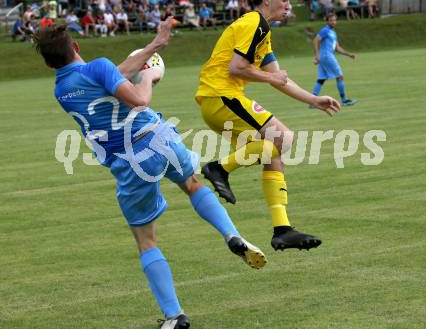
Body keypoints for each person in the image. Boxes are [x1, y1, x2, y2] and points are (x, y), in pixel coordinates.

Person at [33, 20, 266, 329]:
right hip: (160, 137)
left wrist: (149, 52)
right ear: (75, 47)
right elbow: (138, 98)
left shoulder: (62, 89)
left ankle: (175, 316)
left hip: (132, 161)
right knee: (193, 184)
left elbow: (109, 76)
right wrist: (150, 74)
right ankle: (231, 234)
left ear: (50, 63)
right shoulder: (99, 68)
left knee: (146, 240)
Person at [195, 0, 341, 252]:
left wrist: (313, 99)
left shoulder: (263, 31)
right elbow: (236, 68)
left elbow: (279, 78)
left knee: (274, 150)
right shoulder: (255, 23)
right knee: (283, 138)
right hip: (221, 95)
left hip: (219, 101)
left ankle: (282, 229)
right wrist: (270, 77)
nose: (289, 4)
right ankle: (217, 168)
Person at [312, 13, 357, 106]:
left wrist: (349, 54)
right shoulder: (325, 30)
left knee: (321, 79)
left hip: (325, 56)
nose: (333, 22)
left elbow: (337, 48)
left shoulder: (333, 33)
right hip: (327, 56)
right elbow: (315, 40)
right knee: (340, 76)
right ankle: (344, 100)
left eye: (335, 20)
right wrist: (316, 55)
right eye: (331, 20)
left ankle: (312, 102)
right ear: (327, 21)